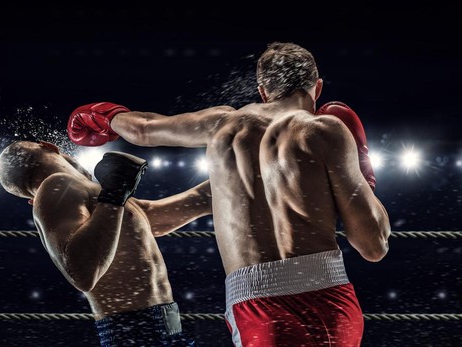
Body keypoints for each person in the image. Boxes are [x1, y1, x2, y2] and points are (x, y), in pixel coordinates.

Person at [66, 42, 391, 346]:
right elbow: (373, 246)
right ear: (317, 88)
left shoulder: (223, 128)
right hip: (325, 299)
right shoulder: (324, 131)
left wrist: (108, 118)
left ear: (264, 92)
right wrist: (363, 177)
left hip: (251, 308)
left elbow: (144, 131)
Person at [0, 140, 211, 346]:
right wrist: (114, 192)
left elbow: (172, 212)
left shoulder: (100, 198)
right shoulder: (57, 185)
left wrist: (231, 167)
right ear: (49, 145)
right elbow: (82, 273)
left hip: (165, 329)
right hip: (134, 332)